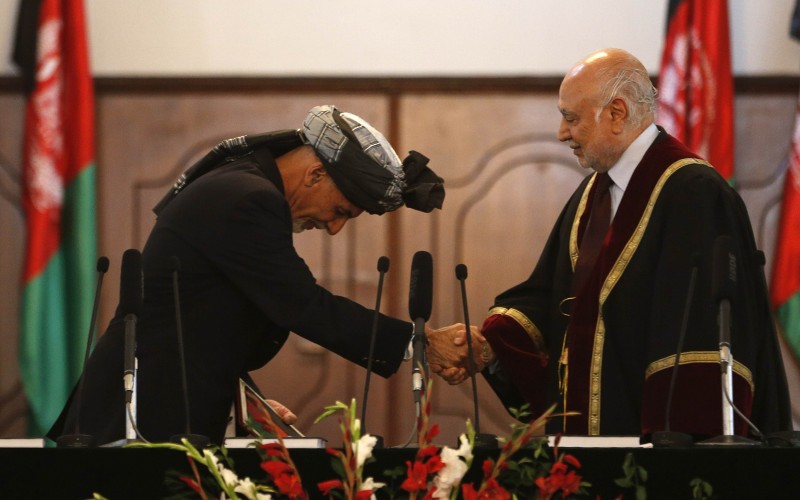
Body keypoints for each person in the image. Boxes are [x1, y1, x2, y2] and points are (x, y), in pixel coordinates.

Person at [48, 104, 468, 446]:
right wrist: (420, 343)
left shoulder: (242, 186)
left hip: (159, 417)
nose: (335, 227)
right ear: (316, 173)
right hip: (136, 428)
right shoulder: (248, 200)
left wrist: (246, 403)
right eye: (341, 211)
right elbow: (303, 305)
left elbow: (198, 328)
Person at [436, 49, 792, 441]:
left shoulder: (694, 193)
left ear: (617, 114)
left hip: (657, 450)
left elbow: (699, 336)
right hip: (586, 445)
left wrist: (676, 450)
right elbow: (549, 297)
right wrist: (488, 345)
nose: (561, 133)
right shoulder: (593, 193)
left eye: (571, 118)